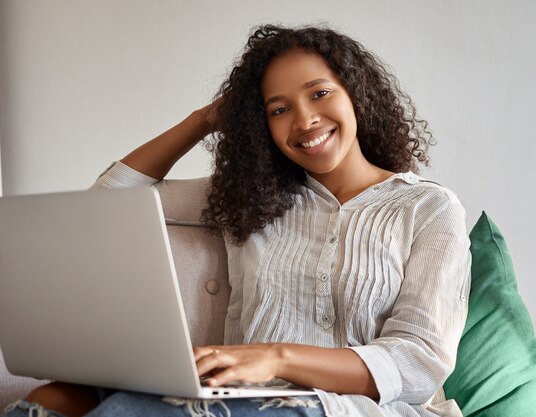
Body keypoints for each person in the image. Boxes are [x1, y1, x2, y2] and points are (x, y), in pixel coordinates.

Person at [3, 24, 471, 417]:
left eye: (320, 93)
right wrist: (202, 120)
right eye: (279, 109)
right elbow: (105, 201)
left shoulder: (428, 210)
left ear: (357, 94)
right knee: (52, 400)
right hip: (240, 398)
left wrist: (273, 356)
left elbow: (417, 363)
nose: (305, 119)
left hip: (357, 410)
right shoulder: (252, 198)